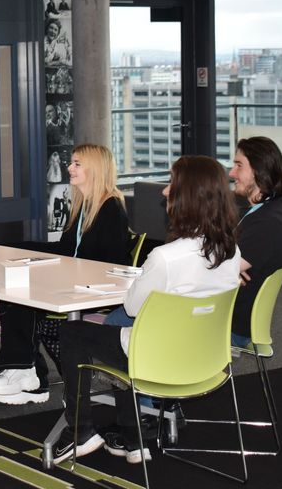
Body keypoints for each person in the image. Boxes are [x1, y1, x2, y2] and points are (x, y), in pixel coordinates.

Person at [54, 155, 240, 465]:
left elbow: (131, 306)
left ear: (188, 196)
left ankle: (80, 430)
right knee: (123, 337)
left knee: (74, 332)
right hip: (204, 358)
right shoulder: (232, 252)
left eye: (171, 185)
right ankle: (132, 435)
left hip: (158, 358)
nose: (165, 192)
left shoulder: (165, 257)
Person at [0, 144, 130, 406]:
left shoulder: (111, 208)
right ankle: (27, 371)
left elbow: (108, 262)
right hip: (76, 282)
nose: (69, 168)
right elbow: (65, 251)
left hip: (99, 288)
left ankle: (26, 370)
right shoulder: (82, 207)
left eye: (77, 163)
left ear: (95, 168)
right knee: (14, 292)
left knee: (23, 298)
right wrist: (15, 249)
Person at [228, 137, 282, 344]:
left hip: (228, 324)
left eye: (239, 165)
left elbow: (217, 268)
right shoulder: (264, 212)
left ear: (259, 170)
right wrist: (226, 263)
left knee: (134, 317)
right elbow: (224, 265)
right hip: (227, 316)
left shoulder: (268, 223)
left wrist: (226, 264)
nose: (232, 173)